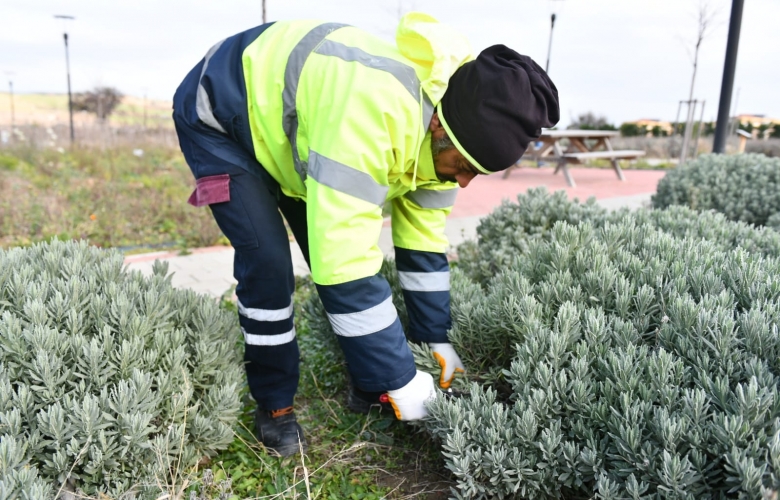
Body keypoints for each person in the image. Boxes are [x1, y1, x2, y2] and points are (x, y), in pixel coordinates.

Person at [173, 12, 559, 457]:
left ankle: (371, 386)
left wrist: (437, 339)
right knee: (270, 266)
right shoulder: (374, 113)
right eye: (466, 167)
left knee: (331, 257)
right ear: (439, 127)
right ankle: (275, 405)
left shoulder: (447, 145)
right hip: (223, 112)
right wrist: (401, 375)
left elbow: (425, 249)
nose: (466, 183)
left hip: (297, 134)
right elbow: (346, 262)